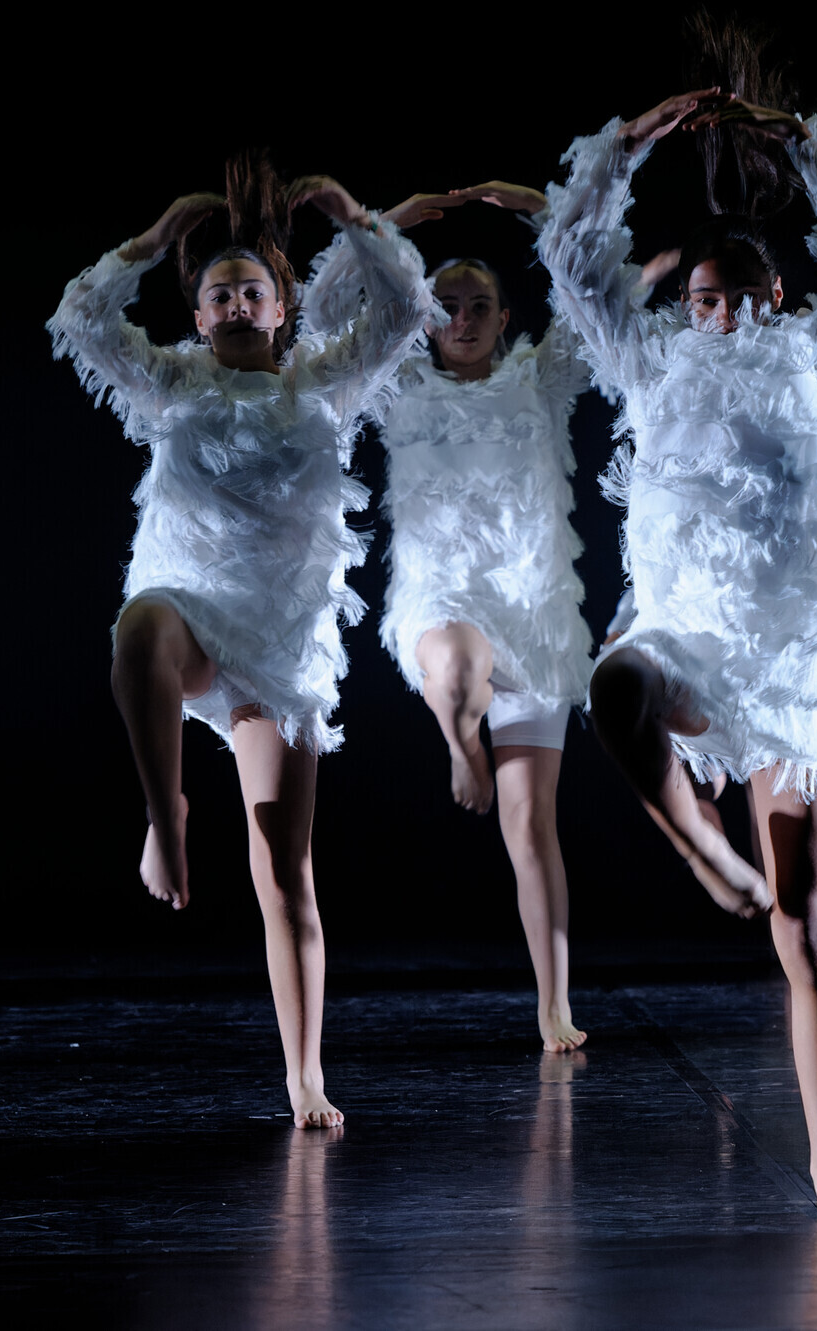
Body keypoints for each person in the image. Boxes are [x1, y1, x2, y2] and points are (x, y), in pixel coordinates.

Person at [537, 35, 817, 1219]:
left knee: (804, 920)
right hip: (688, 640)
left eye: (741, 294)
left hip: (791, 672)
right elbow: (570, 259)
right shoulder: (653, 369)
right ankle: (697, 841)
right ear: (684, 307)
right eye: (703, 298)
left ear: (774, 297)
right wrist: (631, 139)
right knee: (613, 686)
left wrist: (811, 142)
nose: (723, 313)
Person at [48, 154, 436, 1127]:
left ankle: (305, 1074)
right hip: (190, 615)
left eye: (250, 291)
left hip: (278, 649)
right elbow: (81, 320)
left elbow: (404, 312)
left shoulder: (323, 383)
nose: (233, 302)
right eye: (218, 292)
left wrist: (351, 213)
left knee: (284, 869)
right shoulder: (172, 384)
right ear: (198, 318)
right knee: (137, 627)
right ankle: (167, 811)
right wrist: (151, 240)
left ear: (280, 309)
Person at [304, 184, 609, 1054]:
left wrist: (547, 210)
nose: (463, 320)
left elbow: (591, 296)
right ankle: (460, 743)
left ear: (506, 318)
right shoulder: (398, 383)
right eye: (447, 307)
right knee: (461, 663)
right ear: (427, 319)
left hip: (535, 626)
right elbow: (322, 319)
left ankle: (553, 1003)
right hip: (442, 610)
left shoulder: (538, 381)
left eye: (480, 306)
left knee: (530, 828)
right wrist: (382, 227)